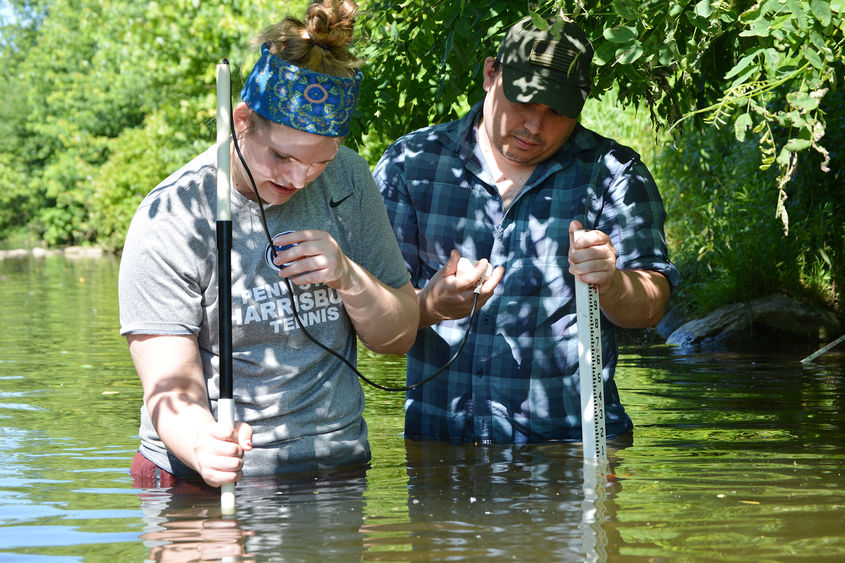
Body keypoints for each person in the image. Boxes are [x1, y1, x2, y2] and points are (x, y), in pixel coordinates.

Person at [119, 0, 418, 488]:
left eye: (318, 161)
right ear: (241, 119)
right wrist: (201, 442)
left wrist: (349, 276)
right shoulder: (172, 218)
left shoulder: (349, 180)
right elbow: (169, 388)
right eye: (281, 156)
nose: (299, 179)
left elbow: (399, 335)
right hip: (202, 482)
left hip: (336, 470)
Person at [373, 16, 680, 444]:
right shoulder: (412, 164)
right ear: (489, 74)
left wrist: (611, 283)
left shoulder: (613, 174)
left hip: (573, 448)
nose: (534, 127)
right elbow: (373, 323)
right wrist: (430, 306)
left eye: (556, 112)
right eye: (523, 102)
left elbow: (650, 307)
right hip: (440, 447)